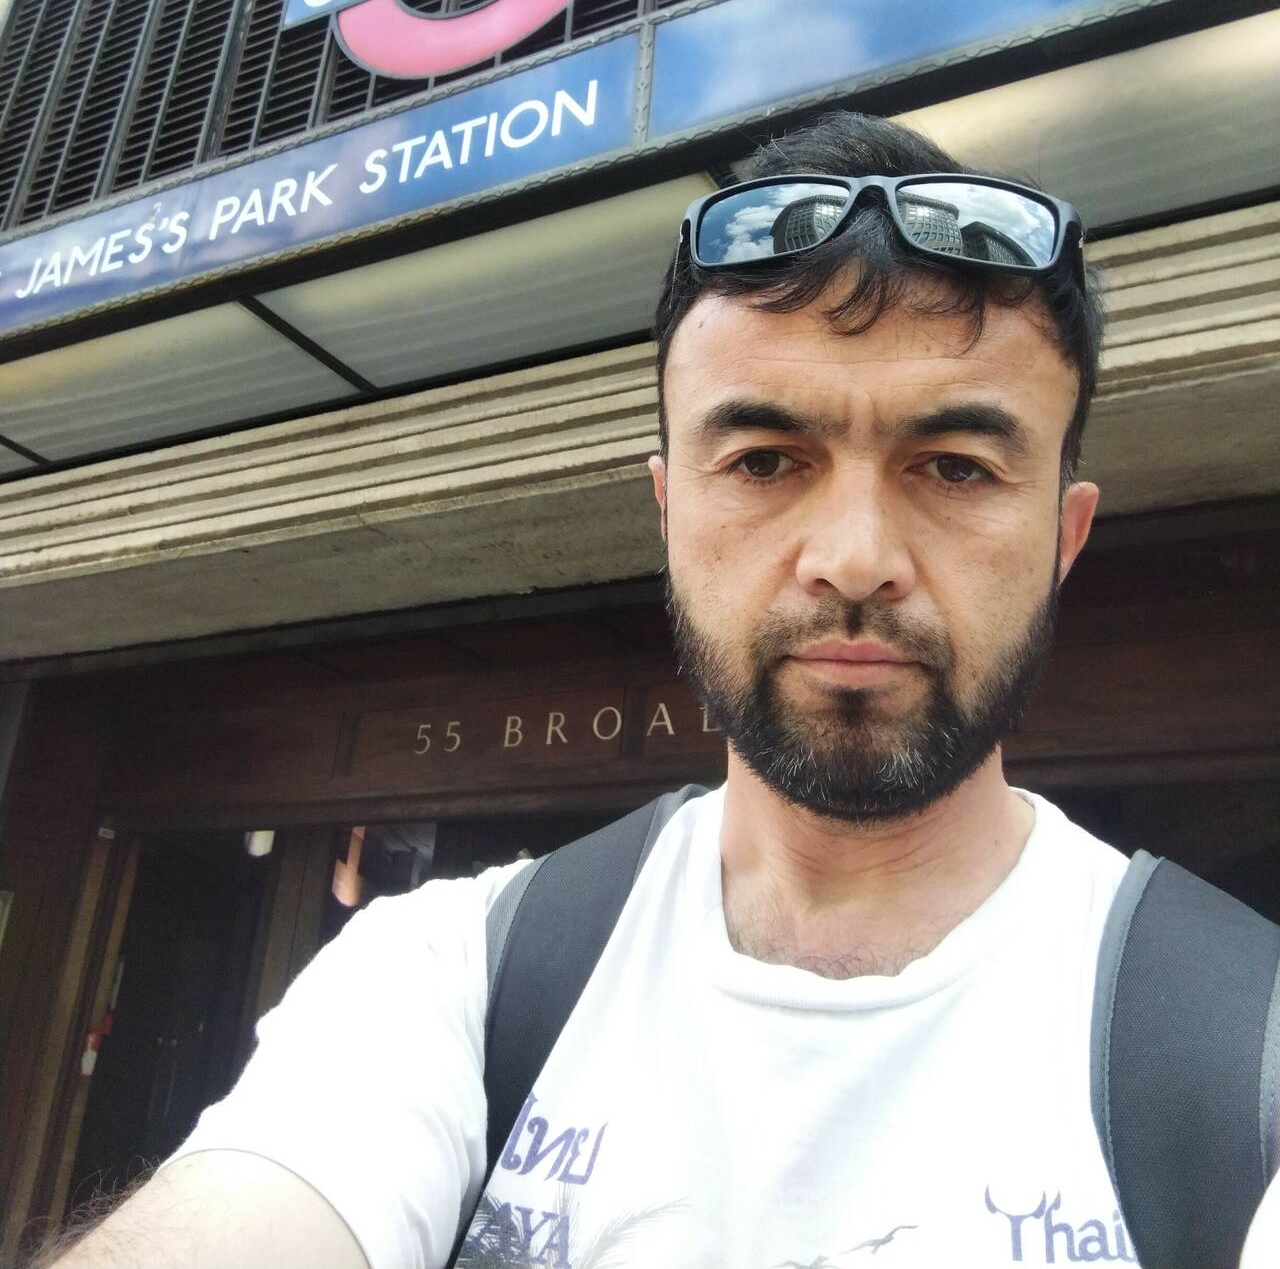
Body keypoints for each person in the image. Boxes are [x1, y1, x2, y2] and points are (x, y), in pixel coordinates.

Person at [45, 114, 1278, 1269]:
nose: (853, 558)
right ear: (669, 510)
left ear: (1063, 536)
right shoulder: (446, 979)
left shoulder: (1251, 1050)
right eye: (762, 460)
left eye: (954, 467)